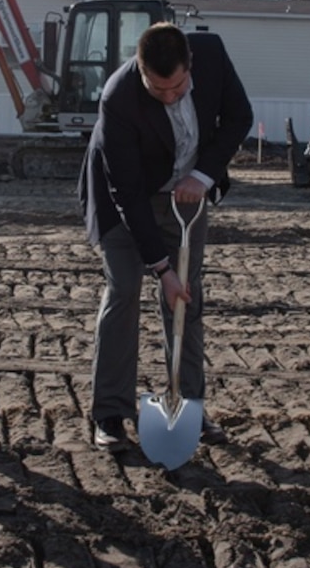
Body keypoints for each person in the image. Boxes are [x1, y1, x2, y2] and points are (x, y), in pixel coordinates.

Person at [80, 22, 253, 452]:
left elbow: (238, 117)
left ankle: (188, 404)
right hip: (126, 201)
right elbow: (127, 193)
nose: (170, 96)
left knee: (186, 297)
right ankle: (110, 413)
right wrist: (161, 269)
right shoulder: (118, 97)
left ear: (190, 64)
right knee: (123, 292)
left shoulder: (211, 51)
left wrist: (203, 173)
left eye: (178, 87)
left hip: (187, 194)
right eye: (159, 91)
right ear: (140, 70)